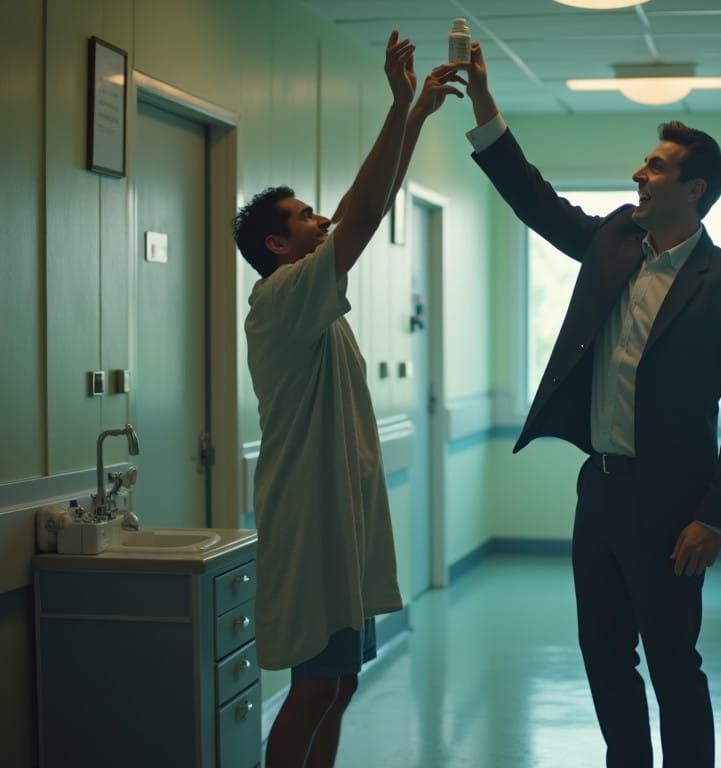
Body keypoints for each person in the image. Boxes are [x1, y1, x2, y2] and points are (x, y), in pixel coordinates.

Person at [461, 42, 721, 768]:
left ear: (693, 190)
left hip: (672, 506)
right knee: (603, 658)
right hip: (598, 489)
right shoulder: (613, 242)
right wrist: (483, 104)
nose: (639, 172)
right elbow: (533, 198)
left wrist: (715, 517)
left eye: (656, 165)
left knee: (672, 664)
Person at [233, 32, 463, 768]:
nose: (322, 220)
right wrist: (400, 108)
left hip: (342, 520)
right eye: (305, 216)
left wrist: (416, 119)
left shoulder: (312, 298)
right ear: (276, 244)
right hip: (310, 524)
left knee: (339, 685)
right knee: (312, 688)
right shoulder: (281, 298)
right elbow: (362, 212)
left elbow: (364, 206)